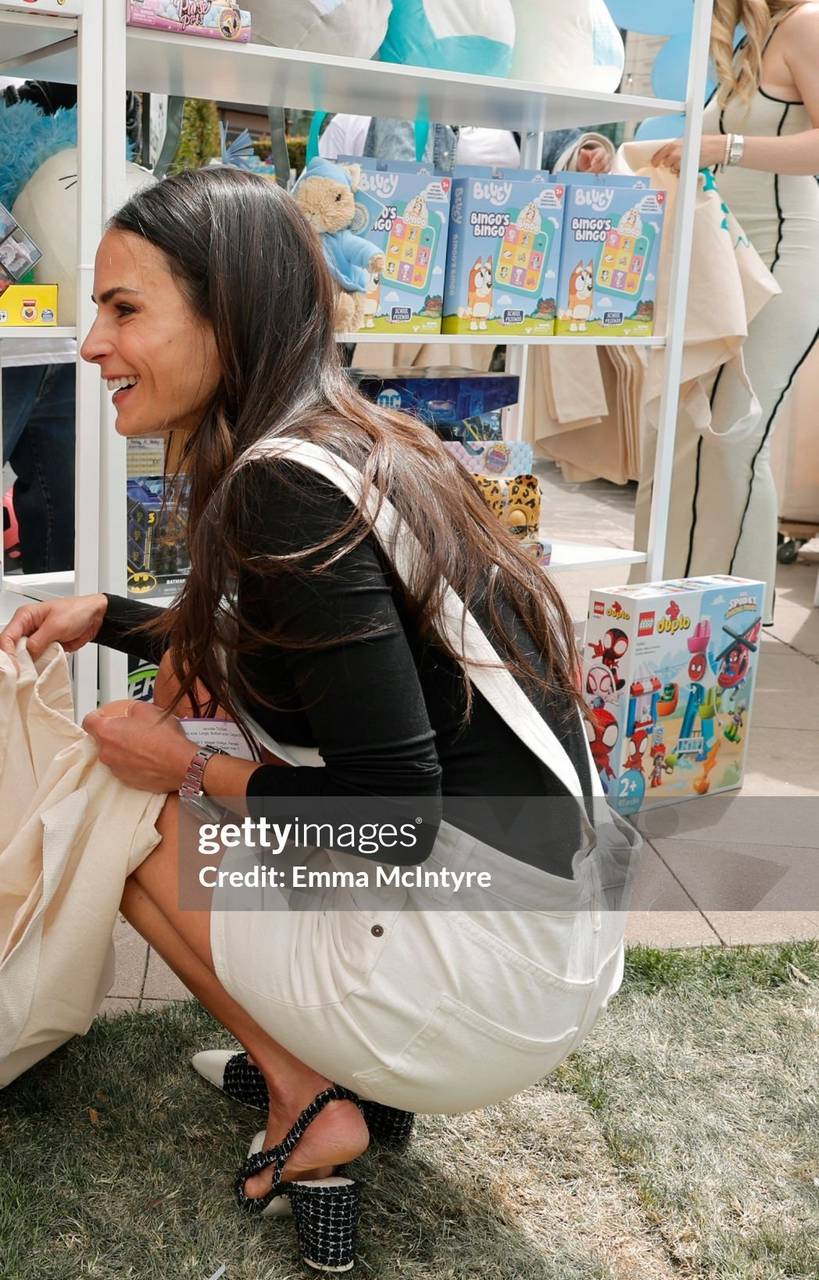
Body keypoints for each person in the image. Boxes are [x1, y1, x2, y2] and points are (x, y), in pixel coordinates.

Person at [0, 168, 630, 1273]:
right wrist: (109, 616)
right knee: (179, 743)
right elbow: (296, 657)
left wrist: (188, 774)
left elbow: (399, 812)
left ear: (227, 313)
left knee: (122, 781)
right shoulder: (346, 440)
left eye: (125, 308)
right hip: (551, 942)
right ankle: (331, 1059)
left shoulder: (276, 486)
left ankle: (308, 1093)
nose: (92, 343)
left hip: (483, 984)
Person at [583, 0, 819, 615]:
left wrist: (725, 146)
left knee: (734, 437)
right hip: (729, 262)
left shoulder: (807, 23)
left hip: (784, 257)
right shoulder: (747, 43)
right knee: (684, 434)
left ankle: (728, 627)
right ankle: (658, 613)